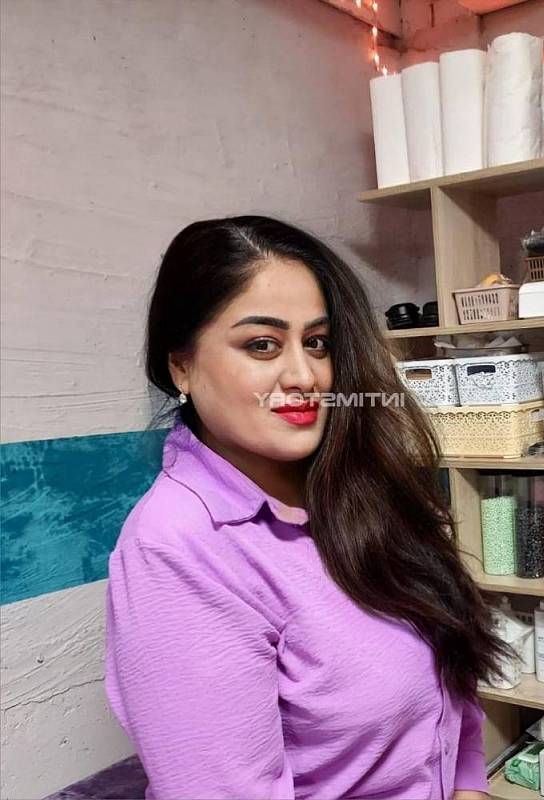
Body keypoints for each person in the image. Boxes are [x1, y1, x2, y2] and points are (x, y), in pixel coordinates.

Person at [104, 217, 510, 800]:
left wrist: (469, 785)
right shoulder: (179, 550)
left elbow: (449, 686)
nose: (304, 376)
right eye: (262, 345)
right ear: (181, 366)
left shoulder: (359, 490)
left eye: (317, 343)